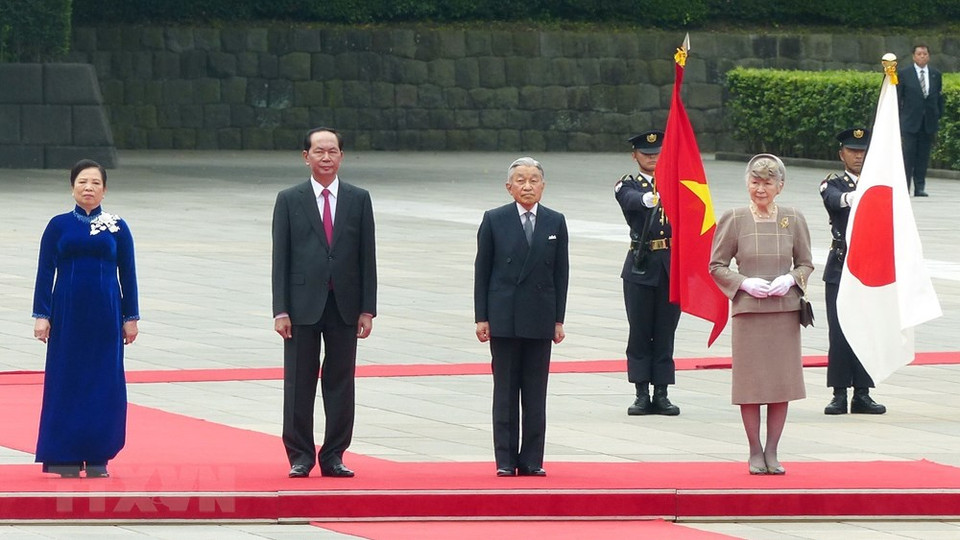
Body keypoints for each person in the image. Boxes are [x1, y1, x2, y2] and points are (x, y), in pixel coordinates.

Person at [272, 127, 377, 479]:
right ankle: (300, 455)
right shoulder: (289, 199)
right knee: (299, 382)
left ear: (342, 157)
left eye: (333, 151)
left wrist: (367, 308)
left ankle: (334, 455)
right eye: (319, 151)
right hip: (302, 305)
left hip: (344, 304)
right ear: (306, 157)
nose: (326, 158)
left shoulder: (359, 199)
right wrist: (280, 309)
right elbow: (280, 259)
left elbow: (367, 257)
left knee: (341, 382)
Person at [32, 159, 140, 478]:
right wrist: (42, 315)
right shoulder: (58, 226)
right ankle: (62, 454)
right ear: (72, 187)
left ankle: (97, 455)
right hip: (66, 313)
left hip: (106, 314)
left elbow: (129, 274)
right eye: (82, 182)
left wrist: (130, 317)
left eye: (95, 182)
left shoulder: (118, 227)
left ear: (105, 190)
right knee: (66, 378)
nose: (88, 188)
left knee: (103, 380)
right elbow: (44, 272)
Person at [710, 154, 813, 475]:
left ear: (780, 186)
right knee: (752, 385)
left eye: (768, 182)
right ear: (747, 183)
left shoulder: (793, 218)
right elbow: (716, 265)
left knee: (781, 384)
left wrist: (791, 279)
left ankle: (773, 451)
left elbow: (806, 263)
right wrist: (743, 283)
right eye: (755, 181)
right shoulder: (735, 218)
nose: (761, 188)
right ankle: (754, 450)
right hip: (749, 312)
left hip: (783, 312)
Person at [474, 157, 569, 477]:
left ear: (543, 185)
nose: (527, 186)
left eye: (533, 180)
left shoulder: (555, 221)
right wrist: (481, 317)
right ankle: (504, 459)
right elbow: (482, 272)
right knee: (504, 391)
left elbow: (561, 274)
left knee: (534, 392)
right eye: (520, 180)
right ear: (508, 187)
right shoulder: (494, 219)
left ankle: (531, 459)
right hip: (504, 317)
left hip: (540, 318)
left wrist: (558, 320)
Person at [819, 128, 886, 415]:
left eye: (862, 151)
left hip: (869, 266)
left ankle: (862, 392)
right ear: (841, 154)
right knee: (839, 331)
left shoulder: (881, 183)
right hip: (842, 264)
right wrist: (864, 194)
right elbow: (835, 201)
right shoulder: (832, 183)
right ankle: (838, 393)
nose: (858, 156)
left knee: (866, 329)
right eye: (852, 151)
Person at [615, 130, 681, 416]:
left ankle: (662, 392)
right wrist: (647, 200)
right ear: (635, 156)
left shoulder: (677, 182)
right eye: (646, 154)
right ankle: (641, 392)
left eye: (657, 154)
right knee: (640, 331)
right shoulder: (628, 184)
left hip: (670, 264)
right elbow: (628, 198)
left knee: (665, 332)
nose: (652, 159)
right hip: (641, 264)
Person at [897, 44, 944, 197]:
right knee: (908, 155)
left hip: (928, 122)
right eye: (919, 54)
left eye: (925, 54)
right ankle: (904, 186)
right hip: (910, 122)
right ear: (913, 56)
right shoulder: (904, 74)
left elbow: (938, 98)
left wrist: (937, 114)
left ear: (929, 56)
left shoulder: (935, 74)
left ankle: (920, 187)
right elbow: (899, 98)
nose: (922, 56)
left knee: (923, 156)